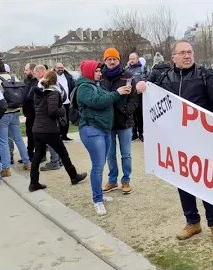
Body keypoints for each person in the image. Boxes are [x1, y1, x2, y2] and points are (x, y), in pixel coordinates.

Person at [136, 40, 213, 246]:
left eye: (190, 52)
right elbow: (148, 92)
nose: (187, 56)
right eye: (182, 53)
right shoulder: (164, 77)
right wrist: (141, 86)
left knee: (206, 183)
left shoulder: (206, 75)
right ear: (174, 57)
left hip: (204, 143)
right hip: (177, 145)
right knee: (183, 183)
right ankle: (192, 222)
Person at [77, 60, 130, 215]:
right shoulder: (84, 87)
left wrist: (121, 93)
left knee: (100, 164)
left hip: (103, 129)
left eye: (100, 71)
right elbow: (98, 102)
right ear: (89, 72)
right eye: (97, 71)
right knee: (98, 166)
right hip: (92, 130)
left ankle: (99, 195)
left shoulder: (96, 85)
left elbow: (108, 99)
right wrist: (117, 93)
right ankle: (97, 200)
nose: (100, 73)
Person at [29, 71, 87, 192]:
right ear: (56, 81)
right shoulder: (53, 93)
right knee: (63, 154)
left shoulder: (38, 92)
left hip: (37, 128)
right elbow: (52, 111)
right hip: (49, 129)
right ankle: (74, 176)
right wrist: (62, 111)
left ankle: (33, 182)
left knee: (37, 156)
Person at [100, 47, 139, 195]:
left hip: (124, 122)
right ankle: (112, 180)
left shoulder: (127, 76)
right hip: (107, 122)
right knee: (110, 154)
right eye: (109, 59)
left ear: (118, 60)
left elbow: (135, 98)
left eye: (114, 59)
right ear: (105, 60)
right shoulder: (100, 77)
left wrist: (127, 110)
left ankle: (126, 180)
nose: (111, 61)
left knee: (126, 154)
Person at [0, 60, 31, 177]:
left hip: (3, 113)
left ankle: (6, 168)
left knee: (3, 141)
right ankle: (27, 162)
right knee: (18, 138)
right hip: (16, 111)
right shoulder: (14, 78)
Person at [126, 52, 147, 142]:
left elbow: (147, 79)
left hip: (140, 95)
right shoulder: (126, 69)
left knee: (140, 115)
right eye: (130, 59)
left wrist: (142, 86)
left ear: (137, 59)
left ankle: (142, 133)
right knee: (132, 115)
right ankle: (134, 133)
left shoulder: (142, 68)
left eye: (133, 58)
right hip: (130, 96)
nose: (131, 60)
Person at [54, 62, 76, 141]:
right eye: (58, 68)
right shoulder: (53, 77)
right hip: (58, 102)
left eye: (61, 68)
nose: (60, 69)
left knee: (66, 119)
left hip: (67, 102)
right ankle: (58, 135)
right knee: (59, 119)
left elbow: (73, 87)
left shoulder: (68, 77)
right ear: (55, 68)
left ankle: (64, 135)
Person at [22, 63, 38, 161]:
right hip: (28, 113)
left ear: (32, 70)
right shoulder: (27, 81)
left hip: (35, 112)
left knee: (36, 135)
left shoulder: (37, 82)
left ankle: (39, 154)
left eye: (27, 70)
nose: (25, 72)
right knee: (29, 134)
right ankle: (30, 153)